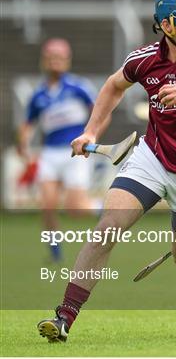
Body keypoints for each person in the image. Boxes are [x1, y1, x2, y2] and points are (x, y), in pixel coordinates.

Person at [37, 0, 176, 343]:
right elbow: (113, 86)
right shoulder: (145, 60)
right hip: (152, 156)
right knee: (108, 227)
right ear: (166, 26)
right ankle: (64, 318)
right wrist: (91, 130)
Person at [17, 38, 97, 263]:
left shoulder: (79, 87)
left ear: (67, 61)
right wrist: (23, 145)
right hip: (50, 153)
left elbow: (101, 111)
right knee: (48, 206)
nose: (55, 62)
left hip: (76, 152)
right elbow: (27, 124)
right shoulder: (39, 95)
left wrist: (92, 135)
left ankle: (111, 208)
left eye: (59, 58)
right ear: (44, 61)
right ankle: (55, 252)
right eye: (51, 58)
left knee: (76, 209)